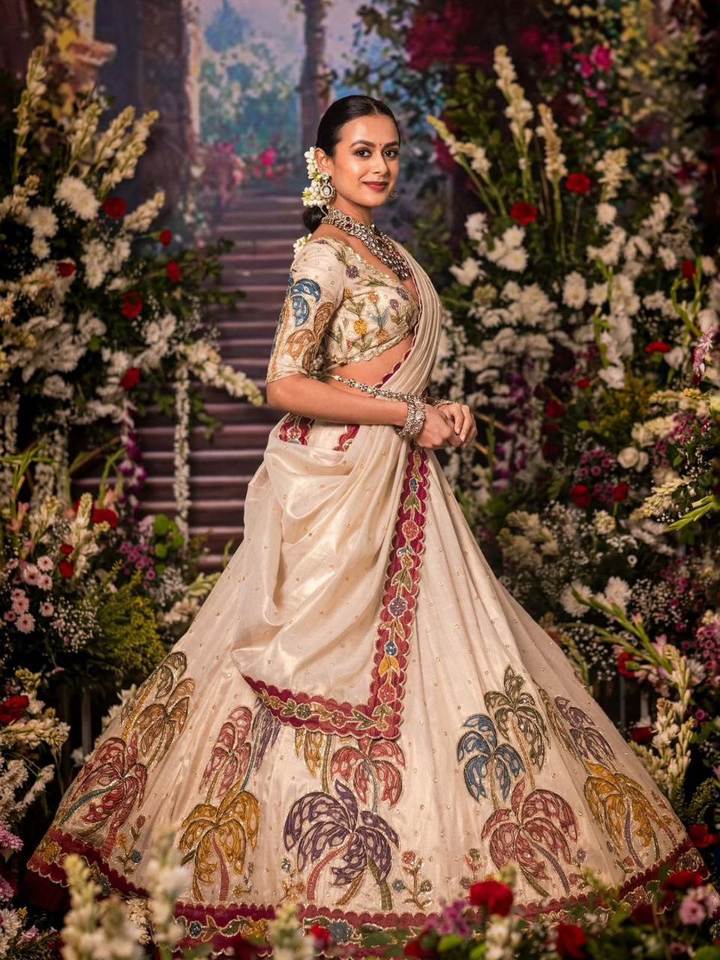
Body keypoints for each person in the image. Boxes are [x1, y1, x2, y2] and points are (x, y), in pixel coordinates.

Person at [26, 95, 717, 955]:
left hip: (399, 478)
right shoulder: (323, 255)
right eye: (362, 152)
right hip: (343, 486)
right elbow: (284, 383)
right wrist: (405, 414)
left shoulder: (385, 250)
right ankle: (276, 886)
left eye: (389, 151)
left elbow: (380, 376)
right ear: (326, 163)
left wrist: (435, 411)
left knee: (455, 659)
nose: (380, 166)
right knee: (305, 666)